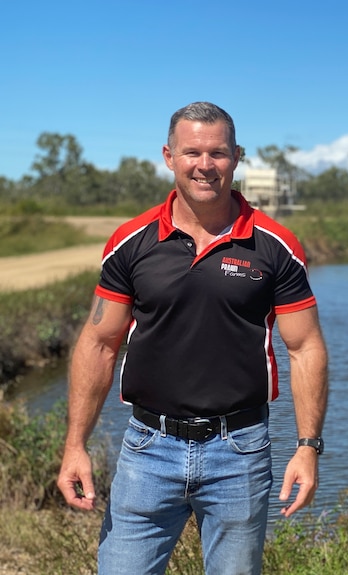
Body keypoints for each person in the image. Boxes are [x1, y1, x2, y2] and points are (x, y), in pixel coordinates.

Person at [57, 101, 329, 574]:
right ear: (169, 156)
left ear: (237, 157)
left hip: (240, 452)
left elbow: (305, 348)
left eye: (218, 153)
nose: (205, 165)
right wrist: (75, 444)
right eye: (192, 153)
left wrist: (307, 448)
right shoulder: (131, 241)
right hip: (147, 448)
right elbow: (99, 344)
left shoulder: (276, 245)